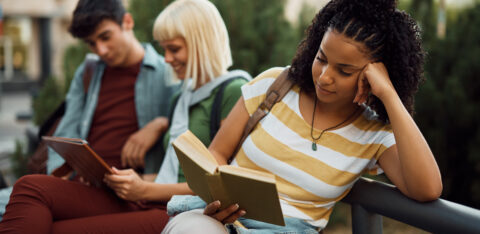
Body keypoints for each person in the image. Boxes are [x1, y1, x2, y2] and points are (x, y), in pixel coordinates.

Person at [162, 0, 443, 233]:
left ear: (374, 75)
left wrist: (390, 97)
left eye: (344, 71)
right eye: (321, 59)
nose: (324, 76)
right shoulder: (276, 84)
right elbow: (217, 154)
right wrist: (218, 199)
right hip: (220, 221)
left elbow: (427, 188)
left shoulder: (374, 133)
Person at [0, 0, 249, 232]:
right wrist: (128, 179)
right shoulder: (181, 97)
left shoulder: (230, 90)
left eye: (173, 49)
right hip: (143, 194)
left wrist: (144, 187)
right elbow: (171, 170)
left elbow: (222, 183)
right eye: (165, 49)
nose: (168, 58)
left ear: (201, 44)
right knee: (28, 187)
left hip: (179, 207)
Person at [0, 0, 179, 219]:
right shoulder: (89, 71)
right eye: (91, 43)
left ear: (127, 21)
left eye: (105, 37)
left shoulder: (167, 71)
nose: (101, 50)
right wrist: (60, 175)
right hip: (80, 185)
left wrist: (161, 124)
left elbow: (188, 127)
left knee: (18, 199)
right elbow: (66, 132)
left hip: (130, 192)